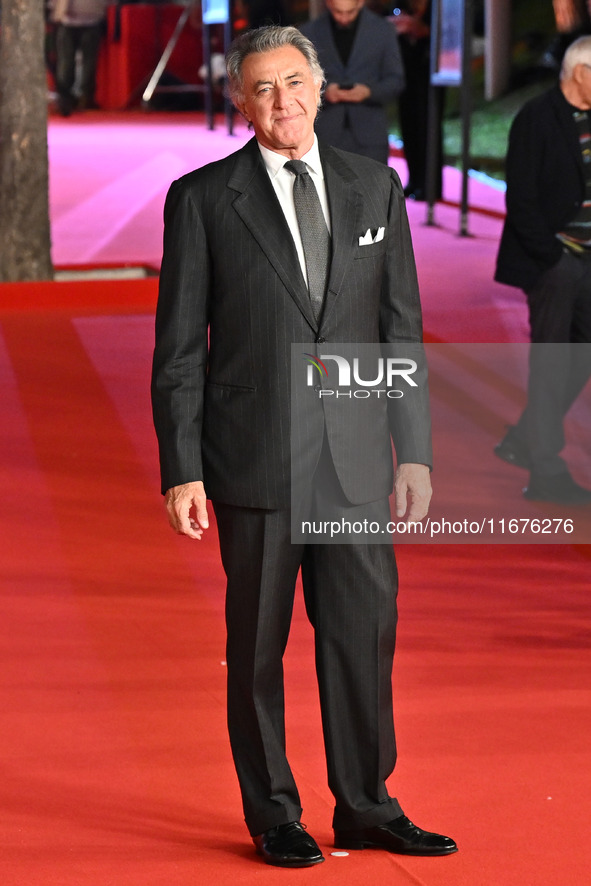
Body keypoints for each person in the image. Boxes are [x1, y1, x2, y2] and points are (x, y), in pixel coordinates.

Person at [151, 25, 457, 868]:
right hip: (253, 456)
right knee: (256, 647)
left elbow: (402, 332)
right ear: (239, 101)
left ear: (320, 87)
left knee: (364, 635)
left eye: (293, 82)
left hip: (355, 460)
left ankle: (366, 804)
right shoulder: (205, 196)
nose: (281, 101)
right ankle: (273, 814)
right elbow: (179, 347)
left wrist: (416, 452)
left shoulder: (374, 187)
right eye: (261, 88)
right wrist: (182, 468)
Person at [494, 35, 591, 504]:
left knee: (581, 357)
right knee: (552, 363)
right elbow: (522, 200)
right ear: (580, 72)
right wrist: (553, 259)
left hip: (588, 264)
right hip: (553, 263)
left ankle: (522, 438)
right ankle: (546, 470)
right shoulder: (538, 117)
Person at [300, 0, 404, 164]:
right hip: (325, 135)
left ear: (360, 3)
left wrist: (368, 92)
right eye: (337, 12)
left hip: (370, 136)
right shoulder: (309, 32)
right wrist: (325, 92)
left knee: (373, 189)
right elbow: (300, 82)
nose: (343, 18)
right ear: (328, 4)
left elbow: (396, 81)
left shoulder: (383, 30)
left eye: (350, 12)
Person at [393, 1, 444, 200]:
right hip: (406, 74)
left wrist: (425, 30)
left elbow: (447, 35)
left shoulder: (437, 7)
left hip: (431, 74)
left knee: (428, 128)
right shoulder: (400, 4)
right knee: (409, 128)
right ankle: (414, 180)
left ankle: (431, 185)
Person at [50, 0, 109, 116]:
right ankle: (72, 98)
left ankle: (78, 98)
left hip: (86, 19)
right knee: (73, 63)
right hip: (73, 20)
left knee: (81, 63)